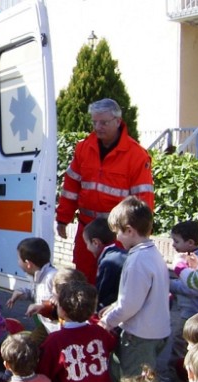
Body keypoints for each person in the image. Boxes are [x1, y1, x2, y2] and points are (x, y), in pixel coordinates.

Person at [56, 98, 154, 285]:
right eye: (94, 122)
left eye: (103, 122)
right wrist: (62, 218)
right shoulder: (83, 148)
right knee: (84, 278)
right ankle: (83, 313)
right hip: (87, 228)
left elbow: (143, 199)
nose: (98, 127)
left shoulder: (136, 155)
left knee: (113, 281)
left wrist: (141, 234)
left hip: (117, 232)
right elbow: (71, 187)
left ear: (118, 121)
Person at [98, 196, 170, 379]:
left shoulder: (137, 260)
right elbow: (142, 293)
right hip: (156, 331)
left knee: (135, 380)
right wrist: (115, 305)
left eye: (118, 232)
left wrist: (107, 322)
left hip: (139, 336)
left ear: (129, 230)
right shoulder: (152, 253)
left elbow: (130, 304)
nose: (116, 237)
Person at [37, 281, 117, 382]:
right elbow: (113, 344)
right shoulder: (100, 332)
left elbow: (43, 372)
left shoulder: (54, 341)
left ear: (62, 311)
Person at [165, 220, 198, 382]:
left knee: (179, 345)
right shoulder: (189, 256)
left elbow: (193, 288)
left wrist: (169, 284)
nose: (173, 245)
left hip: (191, 312)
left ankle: (177, 380)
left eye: (176, 241)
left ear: (190, 243)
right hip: (185, 309)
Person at [6, 237, 57, 345]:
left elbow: (64, 304)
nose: (17, 262)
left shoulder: (52, 277)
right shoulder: (38, 275)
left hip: (56, 329)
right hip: (47, 326)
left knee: (28, 349)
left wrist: (42, 307)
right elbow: (37, 293)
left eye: (18, 259)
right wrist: (23, 293)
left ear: (28, 263)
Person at [83, 217, 127, 310]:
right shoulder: (121, 253)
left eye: (86, 243)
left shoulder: (108, 262)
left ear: (95, 242)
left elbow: (102, 295)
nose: (87, 248)